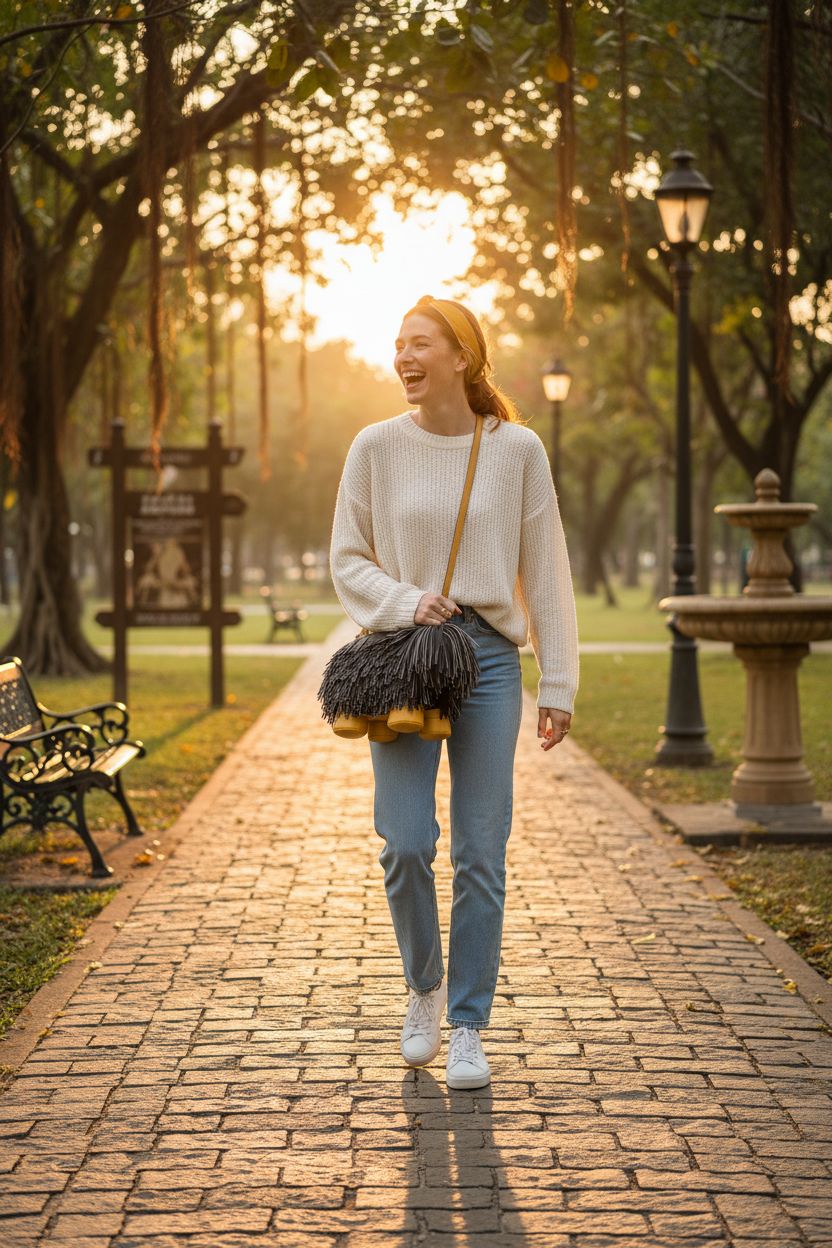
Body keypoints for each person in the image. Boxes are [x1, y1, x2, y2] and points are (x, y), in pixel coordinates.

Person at [329, 295, 579, 1090]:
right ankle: (424, 987)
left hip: (491, 662)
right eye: (398, 344)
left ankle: (468, 1023)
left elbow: (546, 571)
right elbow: (346, 559)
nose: (404, 357)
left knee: (481, 851)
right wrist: (407, 602)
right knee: (405, 844)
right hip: (401, 655)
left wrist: (558, 679)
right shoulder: (373, 447)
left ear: (462, 357)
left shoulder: (518, 451)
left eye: (420, 344)